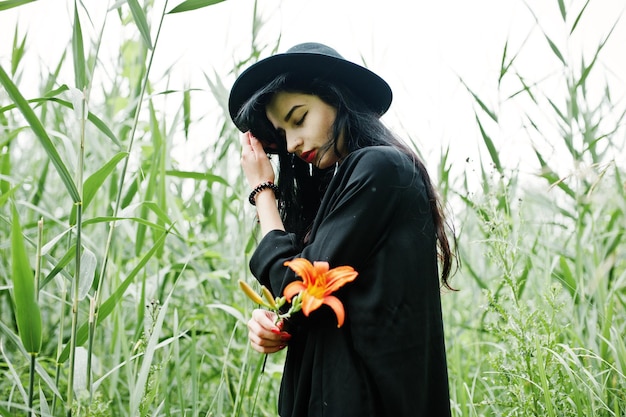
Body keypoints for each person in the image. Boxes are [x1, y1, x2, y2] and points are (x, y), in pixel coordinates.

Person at [228, 42, 455, 417]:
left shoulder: (381, 169)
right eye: (281, 134)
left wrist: (263, 192)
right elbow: (309, 305)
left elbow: (298, 288)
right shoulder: (347, 189)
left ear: (337, 98)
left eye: (298, 119)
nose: (291, 143)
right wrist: (274, 321)